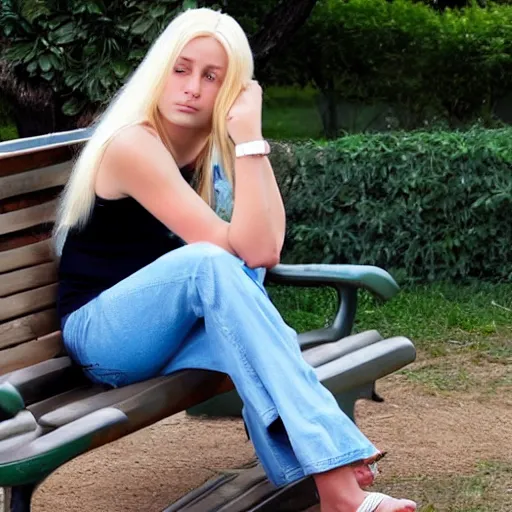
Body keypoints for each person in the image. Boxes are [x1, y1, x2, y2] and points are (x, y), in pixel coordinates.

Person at [54, 7, 417, 512]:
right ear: (159, 71)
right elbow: (228, 255)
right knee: (213, 265)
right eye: (180, 69)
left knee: (263, 339)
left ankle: (338, 494)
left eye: (212, 77)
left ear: (231, 91)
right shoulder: (133, 144)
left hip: (171, 333)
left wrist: (250, 139)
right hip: (103, 337)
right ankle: (336, 455)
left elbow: (263, 250)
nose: (192, 88)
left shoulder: (214, 149)